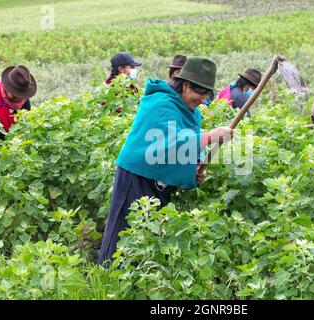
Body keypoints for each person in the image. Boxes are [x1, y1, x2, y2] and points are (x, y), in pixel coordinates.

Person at [98, 58, 234, 264]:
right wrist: (210, 136)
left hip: (158, 180)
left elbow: (183, 143)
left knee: (147, 236)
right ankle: (109, 281)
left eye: (206, 96)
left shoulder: (189, 110)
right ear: (186, 86)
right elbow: (168, 144)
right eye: (200, 94)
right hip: (137, 176)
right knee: (123, 234)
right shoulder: (161, 103)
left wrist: (195, 169)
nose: (202, 101)